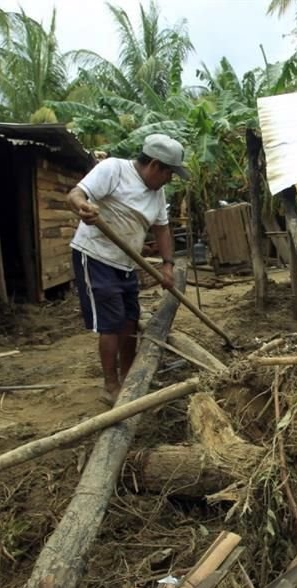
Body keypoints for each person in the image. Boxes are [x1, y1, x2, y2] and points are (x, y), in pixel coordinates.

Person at [67, 134, 190, 405]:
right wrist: (83, 207)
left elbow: (162, 229)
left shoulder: (157, 194)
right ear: (155, 165)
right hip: (96, 255)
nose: (171, 179)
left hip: (125, 263)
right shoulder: (114, 169)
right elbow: (76, 194)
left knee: (129, 320)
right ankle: (111, 386)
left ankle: (131, 377)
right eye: (170, 173)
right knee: (110, 323)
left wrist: (168, 265)